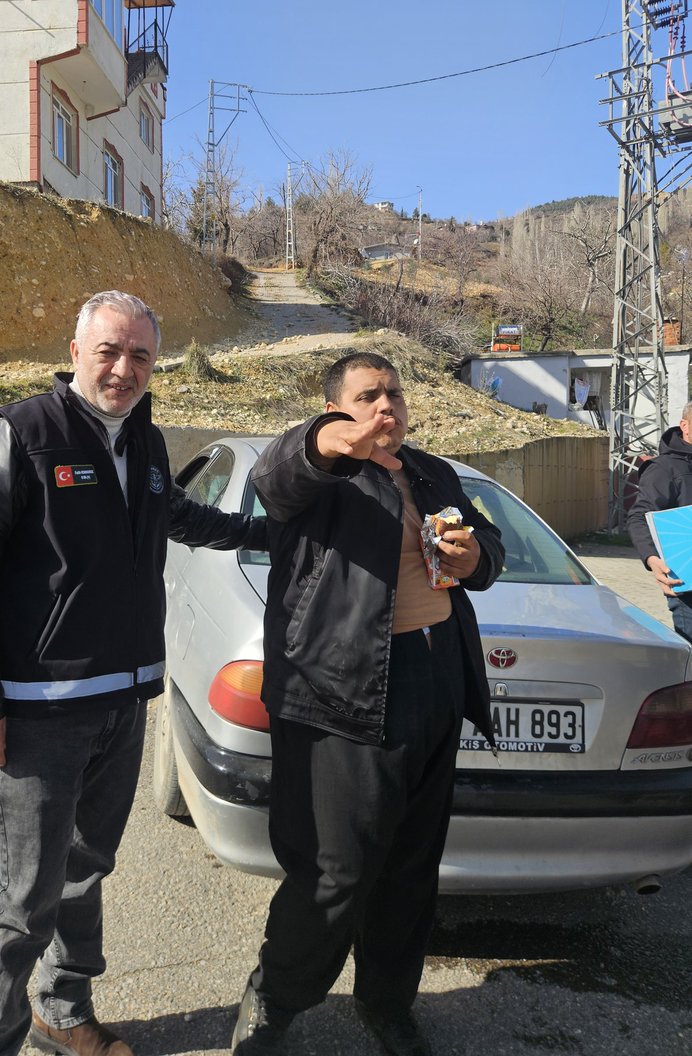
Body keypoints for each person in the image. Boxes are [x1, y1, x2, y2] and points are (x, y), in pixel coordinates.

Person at [0, 290, 266, 1056]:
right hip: (38, 711)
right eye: (110, 351)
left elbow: (179, 517)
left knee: (85, 868)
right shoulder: (21, 433)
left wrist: (268, 528)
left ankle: (62, 1009)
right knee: (22, 899)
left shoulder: (144, 443)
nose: (124, 369)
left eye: (141, 355)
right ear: (77, 349)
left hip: (122, 701)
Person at [230, 352, 504, 1056]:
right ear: (336, 409)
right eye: (367, 397)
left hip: (436, 680)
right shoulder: (324, 476)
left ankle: (387, 1004)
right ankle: (276, 1001)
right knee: (335, 871)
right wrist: (326, 440)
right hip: (341, 694)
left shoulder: (431, 473)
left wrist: (477, 559)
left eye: (394, 394)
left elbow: (488, 547)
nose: (387, 406)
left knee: (412, 865)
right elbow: (275, 476)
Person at [626, 400, 692, 645]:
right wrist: (653, 560)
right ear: (684, 425)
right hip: (687, 587)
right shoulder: (664, 469)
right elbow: (639, 516)